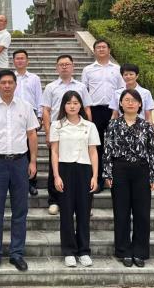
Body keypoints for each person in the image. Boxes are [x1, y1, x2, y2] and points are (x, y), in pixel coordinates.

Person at [0, 70, 39, 273]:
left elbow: (32, 135)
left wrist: (33, 162)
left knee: (20, 210)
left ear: (15, 85)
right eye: (3, 82)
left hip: (20, 162)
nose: (6, 86)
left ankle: (16, 253)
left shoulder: (25, 107)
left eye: (10, 82)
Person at [102, 88, 154, 268]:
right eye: (126, 100)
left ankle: (140, 251)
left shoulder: (146, 126)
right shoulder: (113, 125)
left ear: (140, 104)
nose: (130, 103)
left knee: (142, 213)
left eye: (134, 100)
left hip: (141, 170)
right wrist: (107, 173)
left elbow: (153, 152)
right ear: (120, 103)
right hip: (119, 170)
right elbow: (107, 150)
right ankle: (124, 251)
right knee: (121, 212)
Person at [50, 91, 99, 268]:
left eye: (76, 103)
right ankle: (69, 251)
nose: (72, 106)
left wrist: (95, 176)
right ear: (64, 105)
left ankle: (84, 251)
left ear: (81, 105)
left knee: (84, 212)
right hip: (65, 169)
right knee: (66, 212)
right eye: (69, 103)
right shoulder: (57, 125)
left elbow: (93, 152)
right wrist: (56, 176)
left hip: (85, 170)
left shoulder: (89, 126)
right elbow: (54, 151)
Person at [41, 54, 93, 215]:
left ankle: (80, 203)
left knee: (79, 166)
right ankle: (54, 200)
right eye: (61, 64)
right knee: (55, 166)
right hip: (58, 130)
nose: (64, 67)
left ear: (73, 66)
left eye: (67, 64)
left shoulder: (81, 87)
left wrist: (89, 130)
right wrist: (48, 132)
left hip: (78, 130)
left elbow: (87, 108)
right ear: (56, 67)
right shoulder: (50, 87)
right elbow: (46, 110)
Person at [81, 39, 124, 192]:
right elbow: (84, 91)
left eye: (104, 47)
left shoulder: (117, 69)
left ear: (109, 50)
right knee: (97, 145)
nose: (101, 49)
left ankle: (113, 180)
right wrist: (87, 114)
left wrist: (118, 112)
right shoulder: (88, 70)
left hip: (114, 111)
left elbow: (121, 91)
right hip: (95, 111)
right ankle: (98, 179)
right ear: (94, 51)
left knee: (115, 145)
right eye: (98, 47)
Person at [13, 49, 43, 196]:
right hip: (14, 115)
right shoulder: (10, 78)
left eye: (22, 58)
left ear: (27, 61)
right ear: (13, 61)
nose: (20, 60)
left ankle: (31, 182)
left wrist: (39, 116)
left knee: (31, 150)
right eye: (17, 58)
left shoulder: (34, 78)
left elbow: (39, 97)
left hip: (31, 115)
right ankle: (18, 182)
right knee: (18, 149)